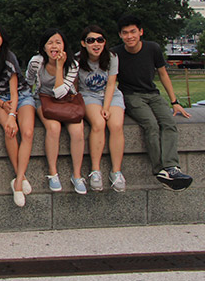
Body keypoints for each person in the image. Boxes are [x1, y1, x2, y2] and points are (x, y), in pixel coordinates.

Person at [115, 14, 192, 190]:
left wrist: (174, 101)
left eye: (133, 32)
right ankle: (160, 169)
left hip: (153, 93)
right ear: (120, 35)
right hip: (131, 95)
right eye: (125, 33)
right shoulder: (116, 54)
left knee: (169, 122)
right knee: (151, 125)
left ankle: (171, 167)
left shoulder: (153, 49)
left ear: (141, 32)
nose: (129, 36)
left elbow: (163, 74)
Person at [0, 23, 35, 207]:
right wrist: (2, 104)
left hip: (21, 96)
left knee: (26, 132)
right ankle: (21, 177)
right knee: (10, 131)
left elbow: (14, 90)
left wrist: (12, 114)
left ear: (3, 40)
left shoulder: (9, 58)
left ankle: (18, 181)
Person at [25, 28, 86, 194]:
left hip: (66, 101)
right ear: (43, 48)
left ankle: (77, 174)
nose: (54, 46)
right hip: (43, 99)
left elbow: (60, 92)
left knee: (78, 131)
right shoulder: (36, 62)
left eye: (58, 42)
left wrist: (59, 68)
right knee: (53, 128)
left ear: (64, 45)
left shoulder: (72, 64)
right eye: (50, 43)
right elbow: (28, 83)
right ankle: (52, 172)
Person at [77, 25, 127, 193]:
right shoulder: (77, 60)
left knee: (116, 125)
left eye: (100, 40)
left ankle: (116, 171)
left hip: (111, 95)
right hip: (88, 96)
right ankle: (95, 170)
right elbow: (75, 85)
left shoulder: (112, 57)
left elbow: (112, 83)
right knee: (98, 123)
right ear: (84, 43)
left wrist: (106, 107)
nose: (95, 44)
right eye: (91, 41)